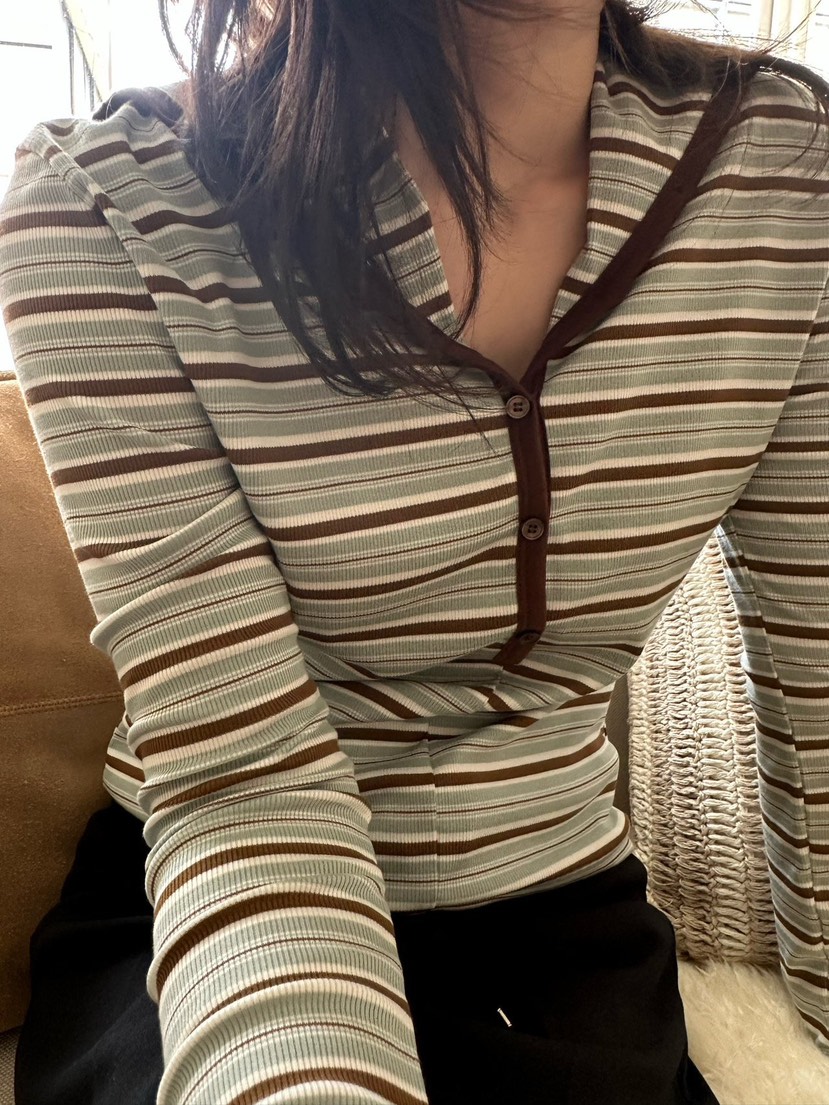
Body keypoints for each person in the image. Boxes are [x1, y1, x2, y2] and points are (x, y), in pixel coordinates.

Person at [1, 1, 828, 1102]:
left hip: (558, 918)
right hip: (201, 918)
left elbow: (816, 671)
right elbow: (245, 784)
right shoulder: (109, 201)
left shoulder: (784, 176)